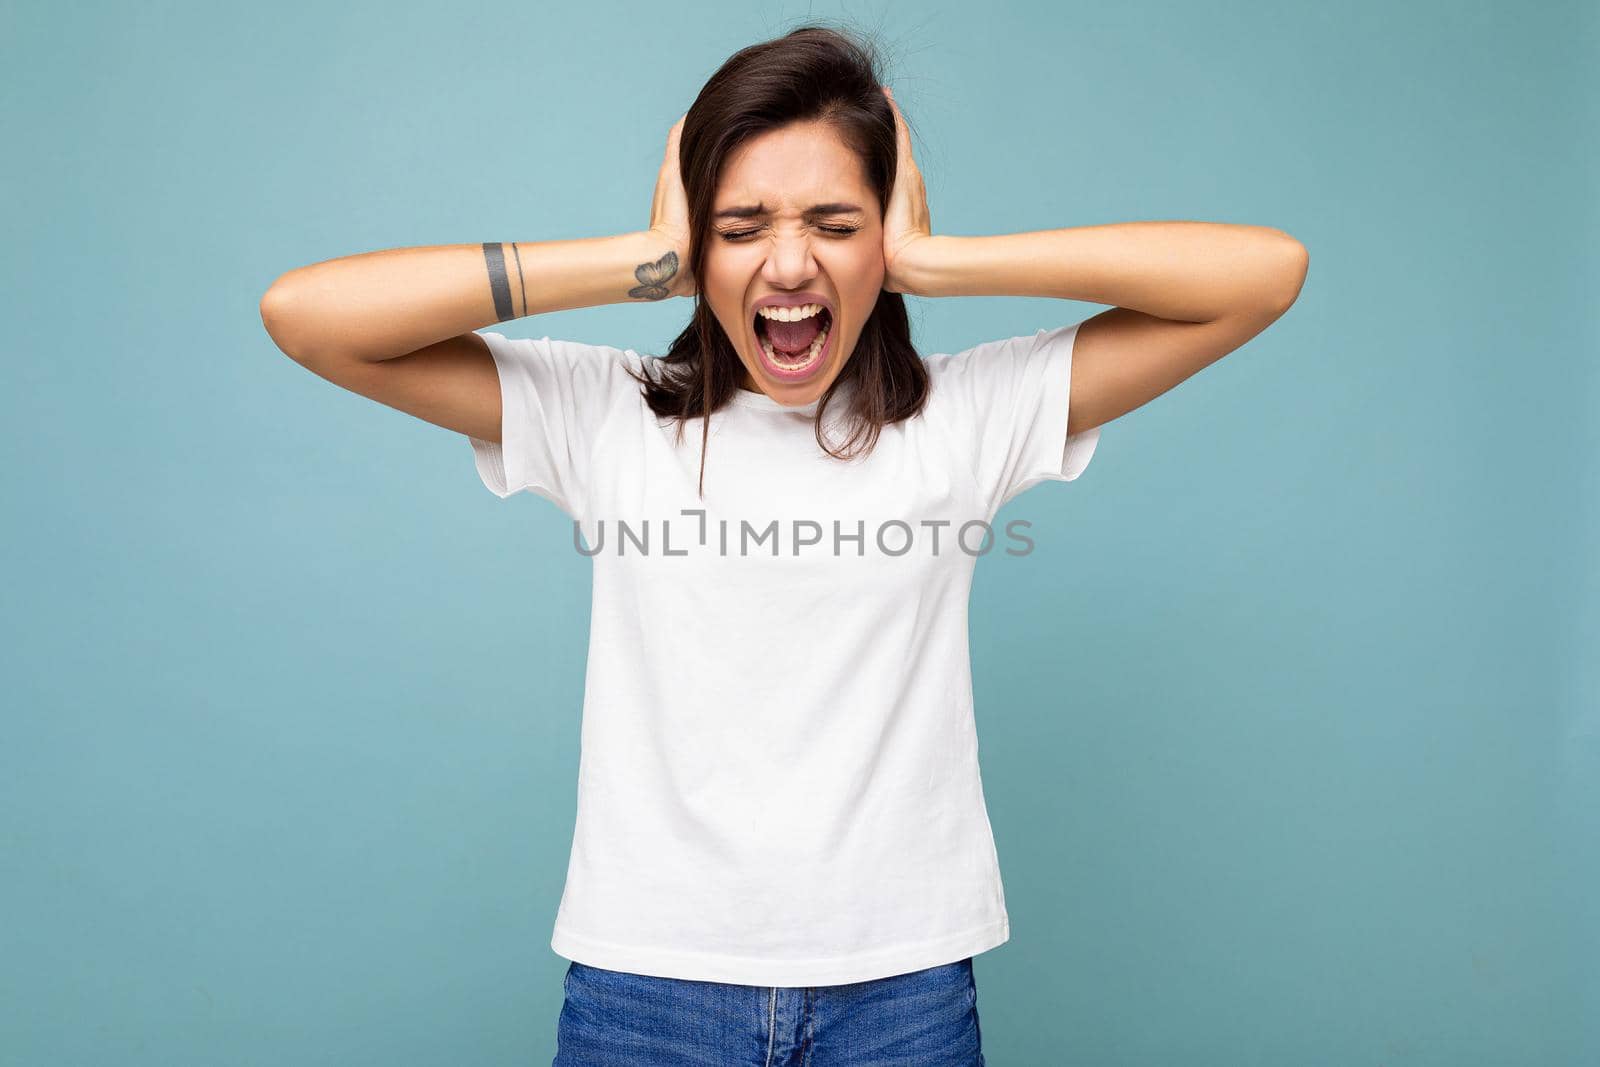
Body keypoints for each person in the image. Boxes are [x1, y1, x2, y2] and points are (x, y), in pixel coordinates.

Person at [259, 22, 1307, 1067]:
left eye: (835, 222)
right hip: (645, 987)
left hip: (902, 989)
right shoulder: (607, 415)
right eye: (743, 224)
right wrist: (635, 260)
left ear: (882, 241)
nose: (792, 261)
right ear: (695, 245)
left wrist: (941, 264)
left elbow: (1261, 274)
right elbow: (309, 316)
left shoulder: (967, 413)